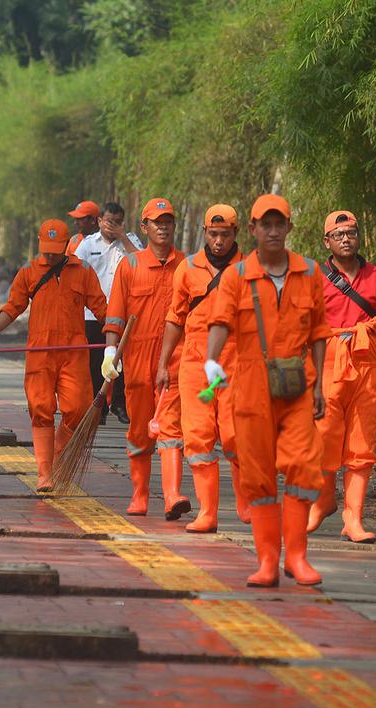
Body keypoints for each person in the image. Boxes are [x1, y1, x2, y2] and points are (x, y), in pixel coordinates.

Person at [205, 194, 331, 587]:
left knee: (303, 467)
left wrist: (321, 385)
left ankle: (296, 557)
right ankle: (266, 561)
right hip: (251, 385)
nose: (273, 231)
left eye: (280, 224)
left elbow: (320, 333)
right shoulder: (236, 276)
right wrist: (211, 363)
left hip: (297, 382)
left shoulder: (310, 272)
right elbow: (220, 322)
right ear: (254, 229)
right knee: (257, 475)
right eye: (266, 224)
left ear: (289, 228)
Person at [0, 219, 106, 491]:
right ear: (39, 243)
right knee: (41, 410)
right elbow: (13, 307)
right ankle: (45, 473)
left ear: (67, 246)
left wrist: (119, 333)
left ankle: (58, 454)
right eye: (46, 249)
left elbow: (102, 308)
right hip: (40, 353)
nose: (50, 254)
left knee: (78, 409)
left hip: (74, 352)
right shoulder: (29, 272)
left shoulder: (83, 271)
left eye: (55, 249)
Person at [308, 210, 376, 543]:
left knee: (361, 444)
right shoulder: (314, 277)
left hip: (367, 366)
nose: (346, 239)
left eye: (351, 233)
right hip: (328, 365)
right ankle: (322, 501)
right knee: (323, 438)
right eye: (339, 234)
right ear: (327, 241)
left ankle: (353, 517)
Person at [158, 204, 248, 533]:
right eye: (214, 234)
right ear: (204, 233)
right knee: (197, 437)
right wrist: (164, 363)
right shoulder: (188, 268)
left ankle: (244, 498)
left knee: (236, 433)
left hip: (236, 357)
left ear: (236, 233)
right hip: (194, 358)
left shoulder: (249, 269)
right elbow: (175, 318)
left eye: (226, 235)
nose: (220, 241)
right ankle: (207, 511)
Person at [103, 198, 187, 519]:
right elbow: (116, 315)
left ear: (174, 226)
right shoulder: (131, 266)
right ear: (144, 227)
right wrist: (111, 352)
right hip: (138, 359)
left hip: (175, 359)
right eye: (156, 222)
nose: (162, 227)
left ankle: (172, 496)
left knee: (171, 429)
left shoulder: (187, 266)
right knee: (140, 429)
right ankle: (139, 494)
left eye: (167, 221)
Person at [73, 202, 141, 425]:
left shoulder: (130, 241)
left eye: (118, 222)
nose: (113, 226)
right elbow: (74, 270)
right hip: (92, 313)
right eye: (109, 221)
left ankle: (119, 404)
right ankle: (97, 407)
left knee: (123, 359)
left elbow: (143, 262)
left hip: (123, 311)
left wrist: (123, 237)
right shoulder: (87, 244)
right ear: (100, 220)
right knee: (94, 362)